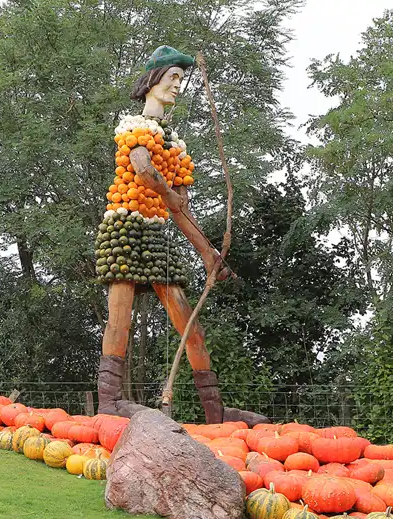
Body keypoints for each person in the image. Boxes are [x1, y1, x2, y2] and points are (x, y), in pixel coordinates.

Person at [94, 46, 269, 427]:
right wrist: (167, 194)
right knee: (119, 320)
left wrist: (208, 252)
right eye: (172, 77)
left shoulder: (173, 144)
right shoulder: (135, 127)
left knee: (189, 324)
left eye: (180, 79)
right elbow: (143, 169)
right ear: (152, 81)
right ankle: (109, 401)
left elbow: (180, 208)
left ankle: (214, 410)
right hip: (124, 230)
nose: (177, 85)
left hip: (156, 237)